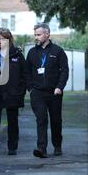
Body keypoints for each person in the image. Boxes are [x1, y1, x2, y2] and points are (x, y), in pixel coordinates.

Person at [26, 23, 69, 158]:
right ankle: (41, 148)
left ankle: (57, 145)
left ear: (47, 34)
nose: (36, 37)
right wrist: (30, 88)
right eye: (35, 35)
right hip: (37, 92)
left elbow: (64, 71)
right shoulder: (32, 52)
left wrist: (59, 87)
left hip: (54, 92)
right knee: (41, 119)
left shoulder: (58, 51)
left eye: (38, 35)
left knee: (56, 120)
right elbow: (27, 72)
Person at [0, 28, 27, 156]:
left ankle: (12, 147)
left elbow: (24, 74)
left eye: (2, 39)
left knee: (12, 120)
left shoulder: (17, 55)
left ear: (8, 40)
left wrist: (21, 90)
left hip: (12, 92)